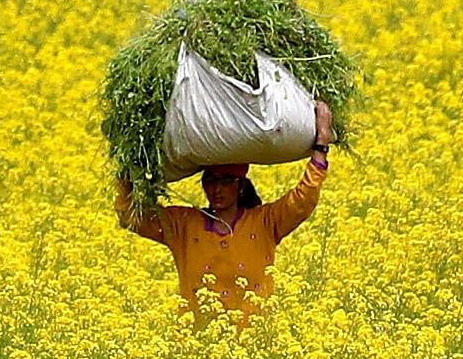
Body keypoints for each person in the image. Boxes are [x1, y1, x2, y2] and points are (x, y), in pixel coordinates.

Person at [116, 100, 334, 321]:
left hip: (253, 344)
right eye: (210, 181)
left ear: (239, 186)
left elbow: (303, 199)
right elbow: (130, 215)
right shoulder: (182, 224)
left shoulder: (264, 222)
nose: (216, 189)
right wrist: (128, 160)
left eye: (226, 181)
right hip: (196, 344)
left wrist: (321, 143)